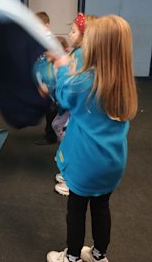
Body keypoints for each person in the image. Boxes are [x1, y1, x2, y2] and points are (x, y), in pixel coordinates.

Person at [45, 15, 138, 262]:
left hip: (86, 163)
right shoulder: (123, 81)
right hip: (112, 163)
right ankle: (98, 255)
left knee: (76, 210)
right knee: (101, 208)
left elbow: (62, 97)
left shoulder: (86, 81)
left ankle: (72, 257)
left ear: (97, 46)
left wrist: (64, 67)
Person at [53, 13, 98, 197]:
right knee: (67, 136)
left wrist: (61, 69)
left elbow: (69, 89)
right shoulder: (77, 51)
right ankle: (69, 171)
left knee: (75, 142)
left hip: (77, 110)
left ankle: (74, 180)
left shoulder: (81, 54)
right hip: (78, 110)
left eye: (73, 31)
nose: (70, 34)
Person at [34, 11, 58, 145]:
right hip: (44, 81)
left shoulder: (50, 41)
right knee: (48, 108)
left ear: (47, 26)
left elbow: (54, 63)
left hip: (51, 83)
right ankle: (51, 132)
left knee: (52, 109)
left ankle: (51, 135)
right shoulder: (40, 40)